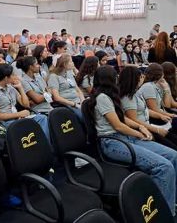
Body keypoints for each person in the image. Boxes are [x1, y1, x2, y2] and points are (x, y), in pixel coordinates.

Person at [85, 65, 177, 215]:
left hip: (125, 137)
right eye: (115, 76)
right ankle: (163, 212)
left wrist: (141, 128)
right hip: (112, 142)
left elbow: (125, 120)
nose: (117, 78)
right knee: (163, 167)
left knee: (173, 156)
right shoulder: (102, 98)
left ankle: (170, 200)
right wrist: (139, 133)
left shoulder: (110, 96)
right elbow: (118, 126)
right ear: (108, 79)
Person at [0, 64, 51, 143]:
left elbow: (25, 104)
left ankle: (46, 145)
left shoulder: (10, 87)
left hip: (17, 118)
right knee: (28, 125)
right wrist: (19, 114)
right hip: (7, 122)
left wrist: (20, 88)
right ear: (6, 78)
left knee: (42, 118)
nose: (15, 76)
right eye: (12, 75)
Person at [119, 66, 177, 150]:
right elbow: (134, 120)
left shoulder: (135, 93)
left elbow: (146, 109)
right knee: (173, 148)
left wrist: (161, 116)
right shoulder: (128, 98)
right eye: (141, 77)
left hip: (148, 125)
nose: (143, 78)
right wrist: (156, 129)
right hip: (145, 129)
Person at [48, 54, 84, 120]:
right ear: (64, 64)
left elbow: (78, 90)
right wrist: (75, 104)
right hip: (68, 104)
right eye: (71, 61)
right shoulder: (53, 76)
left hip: (78, 102)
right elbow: (56, 98)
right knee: (84, 117)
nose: (73, 63)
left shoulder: (69, 72)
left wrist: (83, 102)